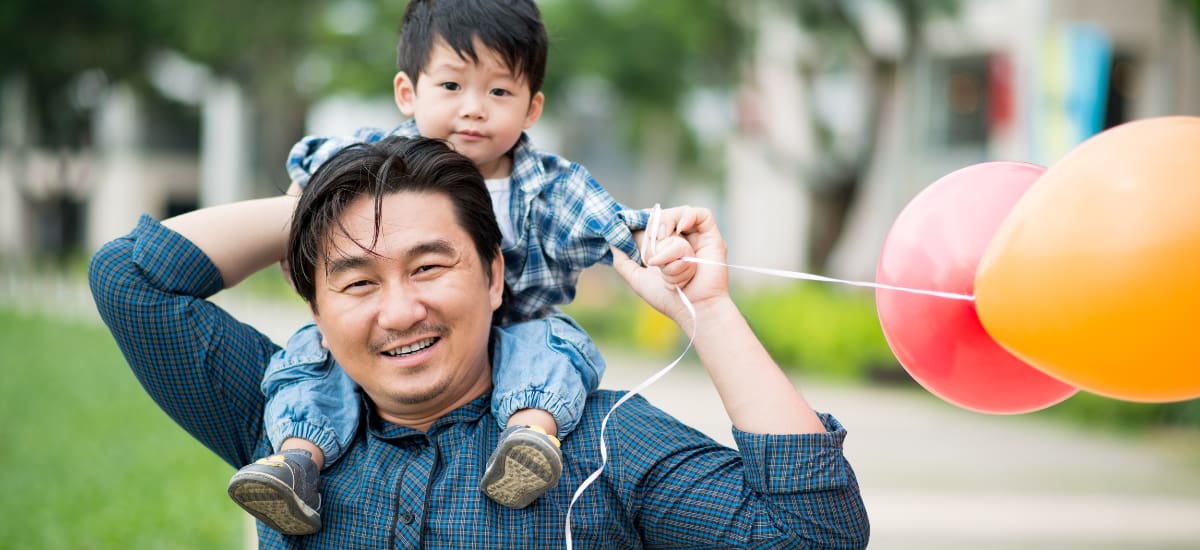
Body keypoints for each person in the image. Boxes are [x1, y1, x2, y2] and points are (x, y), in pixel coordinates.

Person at [89, 136, 869, 548]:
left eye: (430, 266)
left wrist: (711, 311)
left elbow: (813, 537)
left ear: (496, 276)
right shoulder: (280, 425)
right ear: (314, 305)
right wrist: (323, 207)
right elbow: (130, 279)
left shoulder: (601, 441)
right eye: (357, 282)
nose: (400, 312)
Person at [230, 0, 666, 533]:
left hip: (515, 333)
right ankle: (298, 461)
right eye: (452, 87)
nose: (474, 109)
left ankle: (528, 440)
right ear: (408, 94)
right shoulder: (376, 157)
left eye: (499, 91)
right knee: (310, 356)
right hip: (417, 340)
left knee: (558, 347)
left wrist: (657, 240)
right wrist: (301, 219)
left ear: (532, 109)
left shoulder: (550, 186)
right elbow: (311, 176)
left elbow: (610, 223)